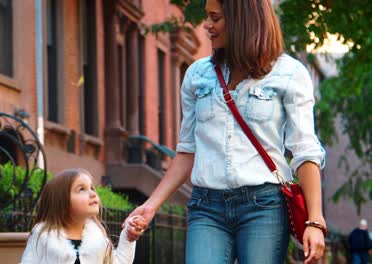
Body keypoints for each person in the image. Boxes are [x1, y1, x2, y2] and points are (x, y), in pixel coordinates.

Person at [125, 0, 327, 263]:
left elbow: (305, 150)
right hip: (207, 207)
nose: (206, 25)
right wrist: (150, 206)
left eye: (215, 18)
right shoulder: (198, 75)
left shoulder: (289, 73)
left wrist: (315, 220)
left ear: (241, 20)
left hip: (263, 206)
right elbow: (187, 151)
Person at [21, 168, 145, 264]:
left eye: (92, 188)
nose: (92, 193)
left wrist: (128, 237)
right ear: (61, 202)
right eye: (81, 189)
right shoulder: (43, 234)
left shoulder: (98, 237)